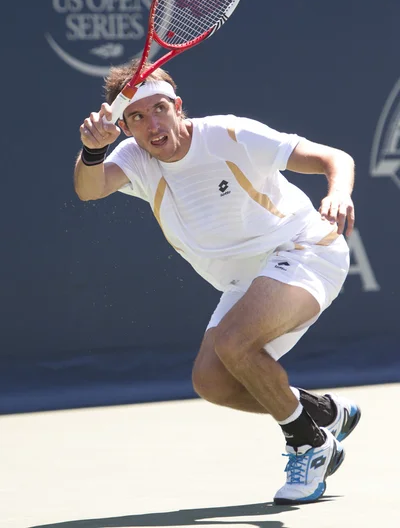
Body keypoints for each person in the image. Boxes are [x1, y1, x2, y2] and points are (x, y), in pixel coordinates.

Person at [74, 60, 360, 505]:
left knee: (234, 342)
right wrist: (93, 150)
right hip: (244, 281)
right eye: (137, 117)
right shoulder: (135, 158)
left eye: (160, 109)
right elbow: (89, 189)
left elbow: (332, 158)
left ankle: (310, 443)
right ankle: (321, 413)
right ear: (125, 127)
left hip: (305, 249)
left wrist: (338, 192)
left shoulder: (229, 136)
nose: (152, 124)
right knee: (212, 382)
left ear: (179, 108)